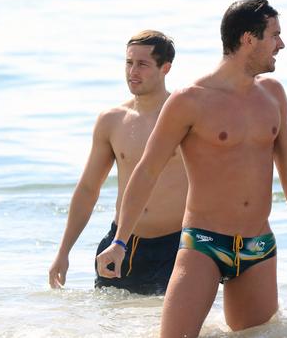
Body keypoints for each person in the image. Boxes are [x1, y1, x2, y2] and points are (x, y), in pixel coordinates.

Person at [96, 0, 287, 337]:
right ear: (249, 38)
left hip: (258, 247)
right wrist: (120, 241)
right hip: (203, 245)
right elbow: (147, 171)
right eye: (274, 35)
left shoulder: (274, 94)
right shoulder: (191, 100)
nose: (281, 44)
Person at [49, 30, 187, 295]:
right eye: (129, 62)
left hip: (175, 245)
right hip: (122, 244)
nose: (132, 71)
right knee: (113, 324)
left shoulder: (183, 118)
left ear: (165, 68)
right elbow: (89, 188)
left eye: (143, 64)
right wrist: (64, 251)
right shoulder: (112, 120)